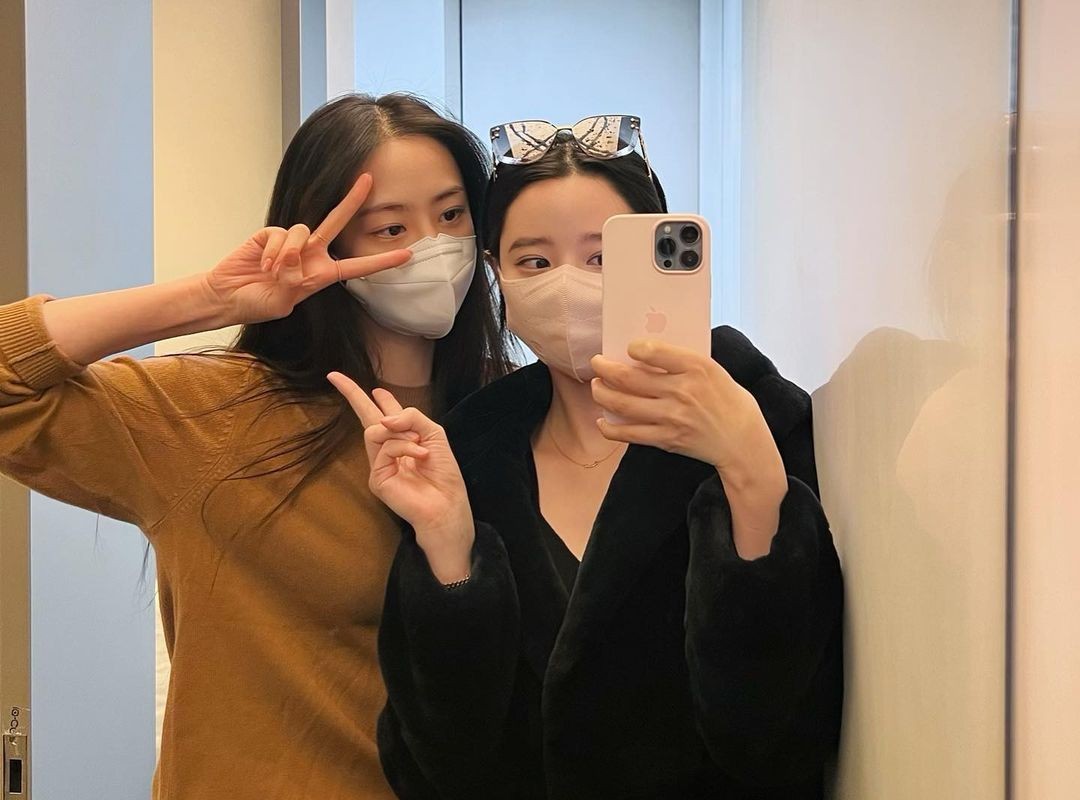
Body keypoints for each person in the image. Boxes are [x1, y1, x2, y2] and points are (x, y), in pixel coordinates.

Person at [0, 93, 513, 799]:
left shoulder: (512, 411)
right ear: (326, 243)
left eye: (451, 216)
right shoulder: (223, 413)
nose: (429, 247)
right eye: (390, 227)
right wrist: (211, 298)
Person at [332, 116, 844, 799]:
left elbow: (778, 737)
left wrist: (751, 473)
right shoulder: (470, 455)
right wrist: (450, 553)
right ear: (496, 274)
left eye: (602, 257)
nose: (567, 285)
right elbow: (437, 766)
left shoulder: (761, 419)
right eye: (534, 262)